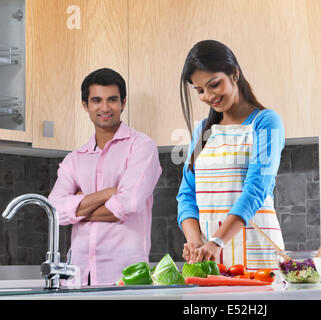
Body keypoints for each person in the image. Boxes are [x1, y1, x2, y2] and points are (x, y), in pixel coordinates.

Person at [177, 40, 285, 271]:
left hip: (258, 251)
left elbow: (257, 187)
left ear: (234, 74)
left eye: (214, 84)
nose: (208, 96)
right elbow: (186, 194)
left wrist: (218, 240)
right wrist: (195, 240)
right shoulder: (202, 131)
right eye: (199, 90)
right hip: (209, 257)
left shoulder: (266, 122)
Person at [49, 68, 162, 285]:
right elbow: (55, 211)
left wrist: (78, 207)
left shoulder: (142, 146)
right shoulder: (75, 158)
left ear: (123, 103)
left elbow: (130, 204)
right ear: (85, 105)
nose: (104, 107)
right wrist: (108, 194)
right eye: (96, 100)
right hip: (78, 277)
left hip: (126, 276)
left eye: (112, 99)